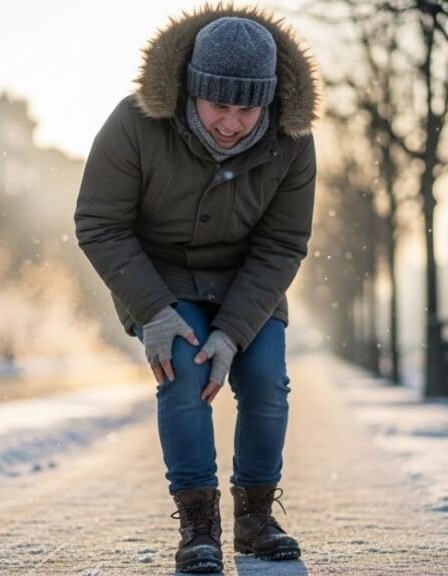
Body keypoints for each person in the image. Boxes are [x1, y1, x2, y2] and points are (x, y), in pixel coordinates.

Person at [74, 6, 321, 573]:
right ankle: (198, 526)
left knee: (266, 382)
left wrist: (232, 332)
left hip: (246, 281)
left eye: (247, 110)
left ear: (268, 101)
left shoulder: (293, 142)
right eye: (218, 106)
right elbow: (99, 222)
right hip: (160, 280)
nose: (231, 123)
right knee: (183, 374)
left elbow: (283, 244)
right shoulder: (135, 123)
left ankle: (256, 519)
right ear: (191, 89)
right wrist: (154, 313)